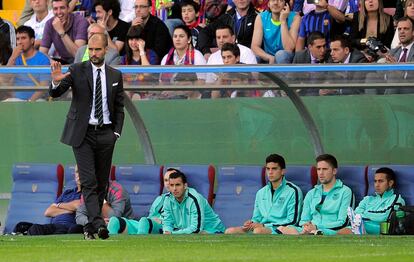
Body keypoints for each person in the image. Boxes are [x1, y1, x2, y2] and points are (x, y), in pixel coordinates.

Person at [49, 32, 125, 240]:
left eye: (97, 49)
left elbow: (119, 108)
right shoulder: (76, 70)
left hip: (106, 134)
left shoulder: (115, 75)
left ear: (106, 50)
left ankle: (90, 228)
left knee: (101, 182)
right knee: (89, 181)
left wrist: (115, 133)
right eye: (90, 49)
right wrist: (55, 83)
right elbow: (57, 92)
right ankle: (99, 225)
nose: (93, 53)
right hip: (82, 134)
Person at [225, 154, 303, 234]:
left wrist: (264, 225)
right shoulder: (261, 192)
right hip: (261, 227)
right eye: (268, 169)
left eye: (274, 169)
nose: (270, 172)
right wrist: (251, 223)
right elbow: (256, 218)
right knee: (229, 231)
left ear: (283, 171)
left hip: (280, 229)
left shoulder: (293, 191)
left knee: (258, 231)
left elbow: (293, 221)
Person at [278, 154, 353, 235]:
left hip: (332, 230)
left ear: (334, 171)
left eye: (325, 169)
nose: (321, 173)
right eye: (318, 169)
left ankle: (312, 234)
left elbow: (344, 222)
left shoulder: (345, 191)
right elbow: (303, 220)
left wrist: (317, 227)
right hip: (310, 229)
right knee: (283, 228)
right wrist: (306, 227)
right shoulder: (311, 193)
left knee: (346, 230)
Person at [13, 165, 82, 235]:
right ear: (74, 175)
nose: (79, 175)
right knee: (28, 227)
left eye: (82, 172)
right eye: (77, 172)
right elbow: (48, 212)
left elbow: (78, 205)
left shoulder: (88, 193)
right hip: (54, 225)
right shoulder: (67, 193)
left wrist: (58, 206)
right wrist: (69, 209)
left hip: (69, 227)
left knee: (39, 229)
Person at [107, 168, 176, 235]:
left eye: (171, 180)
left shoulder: (182, 199)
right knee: (114, 221)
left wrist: (162, 221)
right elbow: (151, 216)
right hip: (149, 224)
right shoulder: (159, 199)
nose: (168, 183)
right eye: (166, 180)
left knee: (144, 222)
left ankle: (140, 244)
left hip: (164, 227)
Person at [343, 167, 405, 235]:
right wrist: (361, 219)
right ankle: (360, 229)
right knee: (343, 231)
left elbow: (384, 217)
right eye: (375, 181)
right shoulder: (367, 199)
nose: (377, 185)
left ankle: (361, 228)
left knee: (355, 226)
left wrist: (363, 217)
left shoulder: (397, 199)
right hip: (362, 225)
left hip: (383, 229)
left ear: (390, 183)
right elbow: (356, 214)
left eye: (380, 181)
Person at [160, 24, 206, 99]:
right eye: (175, 36)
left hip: (191, 97)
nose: (177, 39)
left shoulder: (197, 56)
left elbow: (201, 83)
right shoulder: (166, 58)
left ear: (189, 39)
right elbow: (162, 83)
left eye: (181, 36)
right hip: (170, 97)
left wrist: (176, 92)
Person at [6, 26, 50, 102]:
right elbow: (4, 78)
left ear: (32, 40)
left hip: (37, 100)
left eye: (23, 38)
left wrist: (29, 102)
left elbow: (44, 85)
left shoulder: (42, 59)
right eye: (17, 39)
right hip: (16, 100)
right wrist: (12, 57)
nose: (20, 42)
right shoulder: (15, 57)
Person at [40, 0, 89, 64]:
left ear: (68, 9)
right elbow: (42, 53)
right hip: (63, 62)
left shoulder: (81, 22)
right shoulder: (49, 23)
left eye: (62, 8)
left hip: (82, 63)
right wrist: (53, 63)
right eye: (55, 9)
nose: (59, 12)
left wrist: (61, 31)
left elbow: (78, 55)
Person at [293, 31, 330, 96]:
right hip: (303, 95)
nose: (323, 50)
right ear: (310, 47)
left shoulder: (330, 56)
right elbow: (291, 77)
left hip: (321, 96)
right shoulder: (300, 57)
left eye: (324, 46)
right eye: (318, 47)